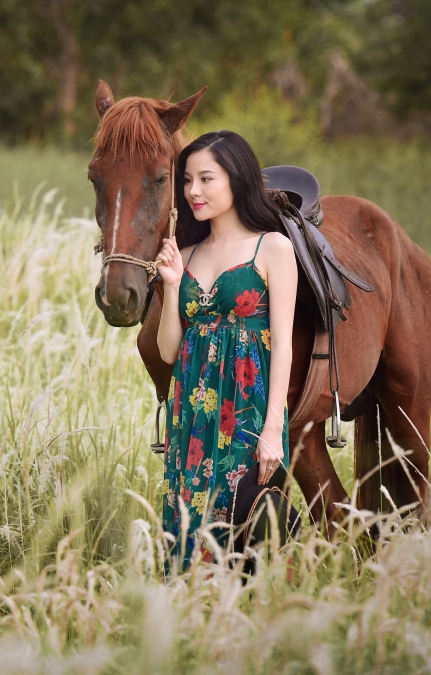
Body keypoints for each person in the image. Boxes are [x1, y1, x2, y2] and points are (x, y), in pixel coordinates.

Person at [154, 130, 298, 570]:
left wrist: (273, 428)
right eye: (187, 180)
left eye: (206, 178)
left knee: (241, 524)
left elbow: (284, 346)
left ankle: (244, 621)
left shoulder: (272, 247)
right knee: (188, 520)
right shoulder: (187, 253)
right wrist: (174, 284)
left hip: (248, 412)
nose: (193, 191)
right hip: (192, 413)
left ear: (236, 179)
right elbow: (168, 351)